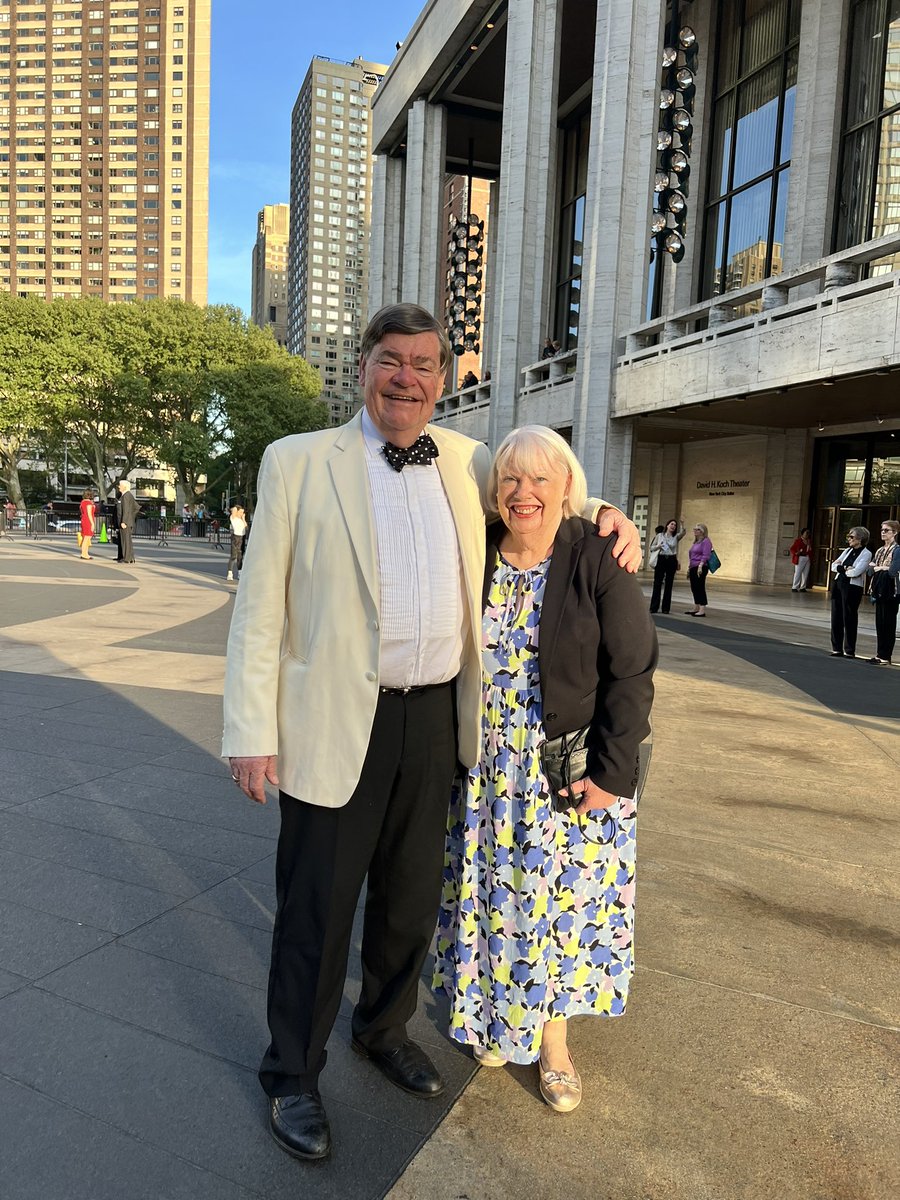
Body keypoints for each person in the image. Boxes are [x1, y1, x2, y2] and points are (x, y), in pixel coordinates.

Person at [222, 303, 643, 1164]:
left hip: (441, 718)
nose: (407, 377)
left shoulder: (466, 457)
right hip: (337, 718)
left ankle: (382, 1029)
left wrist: (608, 514)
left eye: (423, 364)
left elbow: (540, 485)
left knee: (412, 901)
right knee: (317, 908)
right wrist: (248, 731)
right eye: (391, 360)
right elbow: (259, 608)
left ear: (442, 379)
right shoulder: (296, 462)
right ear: (365, 367)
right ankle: (292, 1075)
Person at [434, 426, 657, 1114]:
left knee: (555, 913)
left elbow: (634, 669)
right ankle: (493, 1022)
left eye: (540, 479)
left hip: (563, 773)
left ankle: (554, 1045)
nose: (523, 492)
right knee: (491, 901)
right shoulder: (478, 556)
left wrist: (611, 777)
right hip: (484, 774)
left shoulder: (594, 555)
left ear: (568, 489)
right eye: (510, 479)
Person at [829, 527, 872, 658]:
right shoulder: (847, 550)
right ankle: (836, 648)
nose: (849, 539)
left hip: (852, 588)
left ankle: (849, 649)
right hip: (838, 584)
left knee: (849, 617)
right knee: (836, 616)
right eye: (848, 536)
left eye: (851, 537)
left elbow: (857, 572)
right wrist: (845, 568)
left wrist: (843, 569)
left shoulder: (866, 554)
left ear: (860, 539)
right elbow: (833, 566)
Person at [866, 520, 900, 666]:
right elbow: (869, 571)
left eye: (887, 530)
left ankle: (886, 655)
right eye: (882, 530)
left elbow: (893, 571)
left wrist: (878, 567)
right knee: (880, 623)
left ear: (895, 533)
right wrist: (881, 567)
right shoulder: (880, 550)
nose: (883, 532)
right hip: (879, 588)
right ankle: (880, 654)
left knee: (888, 623)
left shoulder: (897, 550)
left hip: (891, 590)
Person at [649, 517, 685, 614]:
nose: (673, 526)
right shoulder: (660, 535)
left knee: (669, 584)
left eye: (675, 525)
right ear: (667, 525)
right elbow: (651, 547)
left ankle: (666, 608)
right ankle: (654, 607)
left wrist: (682, 524)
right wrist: (658, 546)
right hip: (661, 559)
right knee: (657, 583)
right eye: (671, 524)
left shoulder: (676, 537)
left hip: (671, 560)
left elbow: (683, 533)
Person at [685, 523, 713, 616]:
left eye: (697, 529)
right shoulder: (696, 542)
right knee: (694, 588)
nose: (695, 531)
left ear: (702, 532)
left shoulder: (706, 541)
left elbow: (706, 555)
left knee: (700, 587)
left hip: (700, 567)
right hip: (693, 567)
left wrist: (700, 565)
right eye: (694, 529)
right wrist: (689, 568)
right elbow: (691, 555)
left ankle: (702, 609)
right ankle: (696, 607)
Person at [115, 479, 139, 563]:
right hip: (127, 521)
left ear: (124, 487)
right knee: (127, 540)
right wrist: (131, 517)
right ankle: (130, 557)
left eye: (120, 485)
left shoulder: (126, 496)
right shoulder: (128, 495)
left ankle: (127, 558)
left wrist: (124, 521)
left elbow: (126, 510)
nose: (119, 487)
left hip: (125, 522)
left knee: (126, 541)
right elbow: (136, 507)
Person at [226, 504, 247, 582]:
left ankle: (240, 572)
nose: (242, 514)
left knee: (240, 556)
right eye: (241, 512)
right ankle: (230, 573)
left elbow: (246, 527)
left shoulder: (241, 520)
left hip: (242, 537)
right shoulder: (233, 518)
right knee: (233, 556)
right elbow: (234, 510)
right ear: (237, 512)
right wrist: (237, 508)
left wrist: (243, 518)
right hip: (236, 537)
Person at [789, 527, 812, 591]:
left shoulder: (809, 541)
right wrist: (796, 553)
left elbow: (810, 550)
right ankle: (795, 587)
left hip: (807, 557)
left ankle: (803, 587)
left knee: (805, 573)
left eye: (808, 533)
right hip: (800, 557)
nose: (807, 534)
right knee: (798, 572)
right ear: (802, 533)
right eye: (806, 533)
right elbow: (792, 549)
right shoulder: (798, 541)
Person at [78, 489, 96, 560]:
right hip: (88, 521)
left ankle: (85, 553)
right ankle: (84, 553)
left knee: (85, 537)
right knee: (87, 538)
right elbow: (89, 514)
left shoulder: (82, 502)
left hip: (83, 520)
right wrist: (92, 523)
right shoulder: (89, 503)